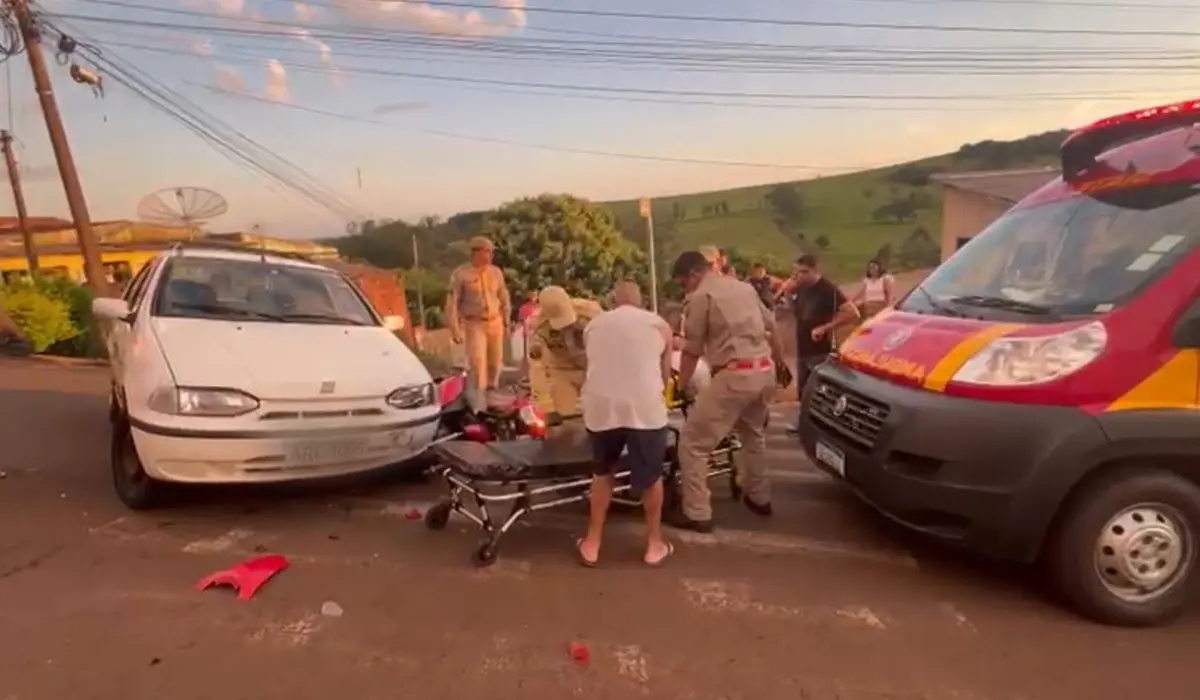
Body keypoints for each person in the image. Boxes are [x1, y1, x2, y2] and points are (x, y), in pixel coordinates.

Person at [670, 250, 789, 533]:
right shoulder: (744, 287)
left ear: (694, 274)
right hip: (763, 370)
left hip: (735, 374)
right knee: (753, 435)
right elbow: (771, 324)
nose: (683, 288)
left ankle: (697, 513)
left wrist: (678, 385)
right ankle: (760, 498)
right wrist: (780, 362)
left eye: (682, 282)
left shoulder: (701, 297)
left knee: (692, 444)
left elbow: (692, 350)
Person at [577, 280, 674, 567]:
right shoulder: (659, 325)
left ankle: (592, 544)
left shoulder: (593, 326)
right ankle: (654, 545)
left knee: (603, 473)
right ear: (640, 300)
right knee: (652, 478)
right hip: (644, 408)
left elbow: (595, 363)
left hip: (601, 406)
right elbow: (665, 374)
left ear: (614, 300)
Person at [788, 253, 860, 403]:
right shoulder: (802, 288)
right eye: (796, 272)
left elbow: (852, 312)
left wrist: (825, 328)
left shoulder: (827, 289)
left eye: (802, 272)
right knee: (803, 392)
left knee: (819, 394)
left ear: (813, 271)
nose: (798, 276)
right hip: (803, 349)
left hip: (820, 351)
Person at [446, 236, 512, 400]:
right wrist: (454, 328)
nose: (490, 256)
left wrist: (507, 318)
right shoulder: (461, 275)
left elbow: (503, 295)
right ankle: (479, 397)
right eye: (487, 252)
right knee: (478, 362)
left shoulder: (495, 272)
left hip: (494, 321)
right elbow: (452, 303)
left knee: (496, 362)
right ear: (476, 253)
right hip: (474, 323)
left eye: (491, 252)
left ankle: (492, 390)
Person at [528, 285, 603, 419]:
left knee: (601, 416)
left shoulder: (592, 312)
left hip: (594, 369)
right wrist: (547, 408)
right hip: (563, 372)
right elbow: (537, 368)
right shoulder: (539, 330)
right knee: (568, 420)